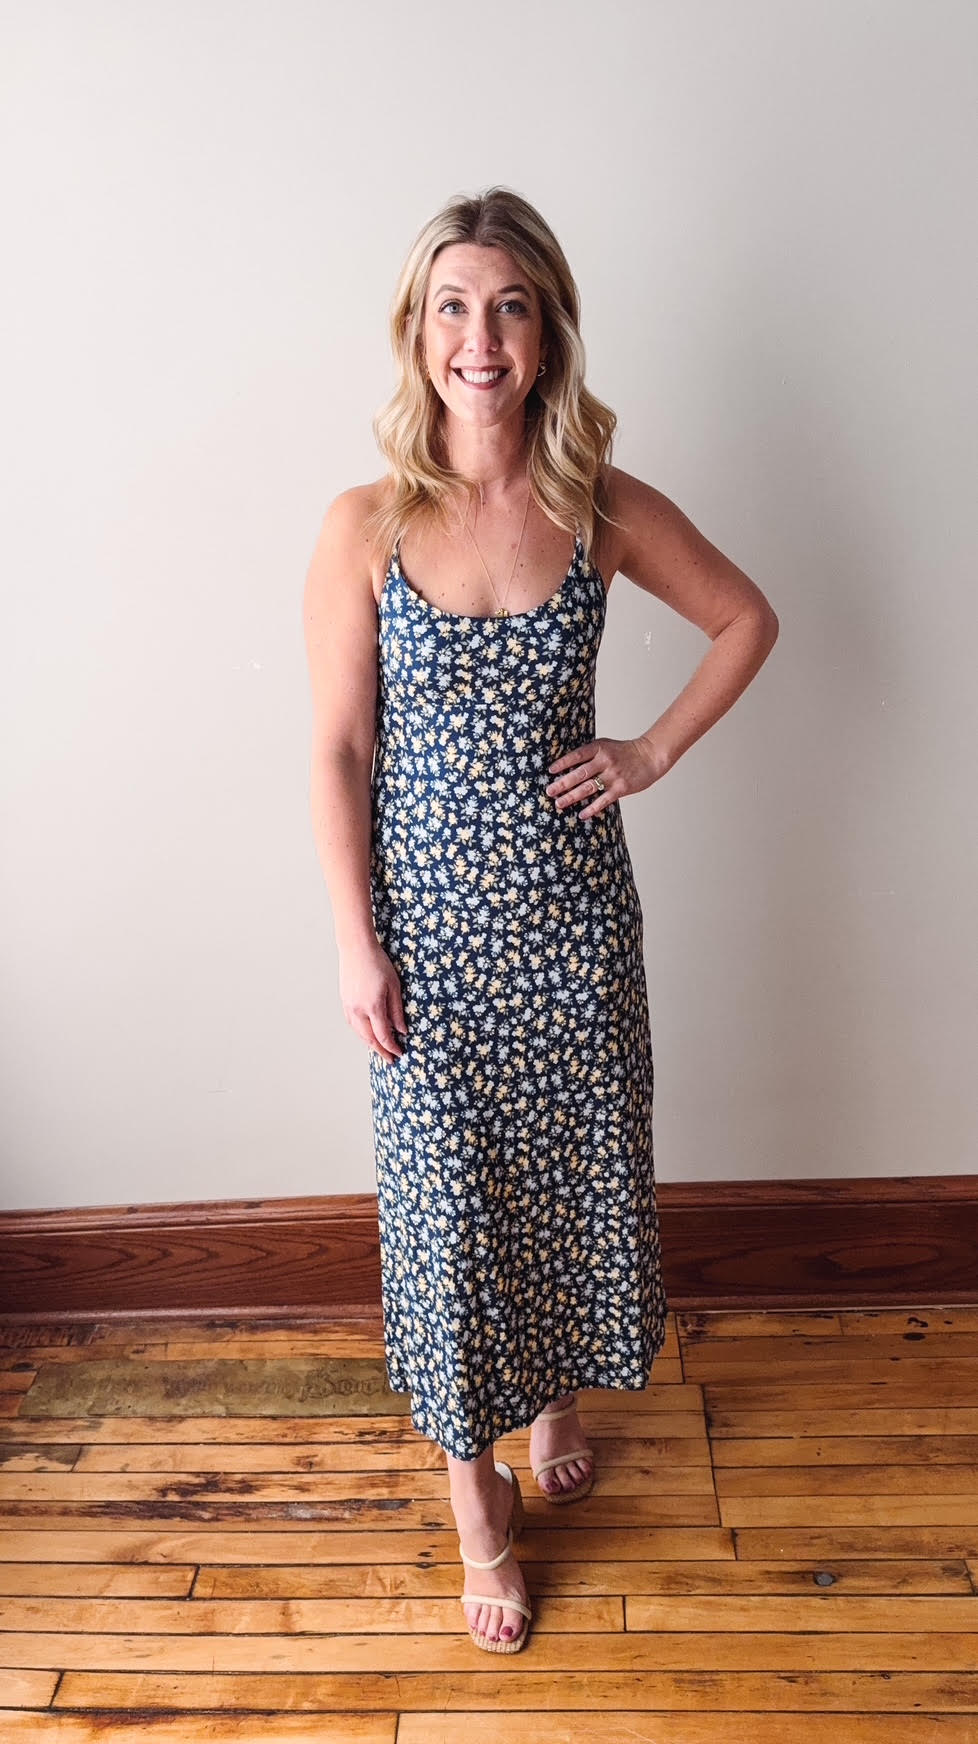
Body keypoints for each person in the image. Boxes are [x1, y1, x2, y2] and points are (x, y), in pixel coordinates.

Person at [302, 185, 779, 1656]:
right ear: (415, 331)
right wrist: (351, 939)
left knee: (572, 1181)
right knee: (448, 1216)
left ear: (548, 326)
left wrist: (647, 751)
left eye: (508, 304)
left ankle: (557, 1397)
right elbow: (334, 749)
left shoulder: (601, 505)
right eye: (452, 305)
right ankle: (478, 1511)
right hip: (426, 951)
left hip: (575, 934)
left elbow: (746, 617)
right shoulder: (366, 524)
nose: (479, 335)